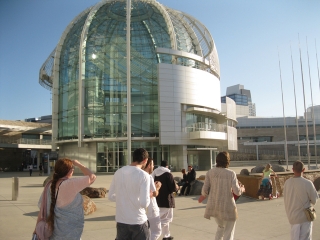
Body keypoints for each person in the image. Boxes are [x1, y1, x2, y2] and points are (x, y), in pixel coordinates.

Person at [34, 158, 96, 239]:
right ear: (70, 171)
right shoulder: (70, 184)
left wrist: (36, 229)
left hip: (54, 234)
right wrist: (79, 165)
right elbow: (92, 177)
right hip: (71, 233)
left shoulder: (49, 185)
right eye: (72, 168)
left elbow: (42, 210)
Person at [198, 152, 245, 240]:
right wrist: (242, 189)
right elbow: (237, 192)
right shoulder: (231, 173)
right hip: (228, 207)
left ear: (217, 160)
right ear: (227, 161)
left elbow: (204, 191)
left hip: (215, 207)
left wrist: (204, 196)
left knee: (220, 228)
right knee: (228, 232)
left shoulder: (210, 172)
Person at [108, 148, 151, 240]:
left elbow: (110, 196)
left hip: (121, 221)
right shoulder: (144, 175)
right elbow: (144, 203)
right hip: (138, 221)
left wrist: (123, 197)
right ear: (145, 160)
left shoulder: (118, 172)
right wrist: (149, 196)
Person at [283, 160, 318, 240]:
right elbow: (314, 200)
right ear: (304, 170)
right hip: (305, 217)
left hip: (292, 217)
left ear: (293, 169)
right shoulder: (308, 183)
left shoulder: (287, 183)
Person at [152, 160, 178, 240]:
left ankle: (166, 235)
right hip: (167, 200)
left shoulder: (155, 173)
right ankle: (152, 232)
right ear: (167, 166)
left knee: (163, 218)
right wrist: (177, 187)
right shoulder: (168, 174)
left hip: (157, 199)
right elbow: (172, 188)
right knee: (167, 218)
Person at [142, 158, 162, 240]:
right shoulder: (148, 177)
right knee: (157, 231)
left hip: (142, 208)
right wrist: (157, 187)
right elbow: (154, 193)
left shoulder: (139, 175)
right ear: (149, 165)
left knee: (148, 231)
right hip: (151, 208)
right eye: (153, 165)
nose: (153, 167)